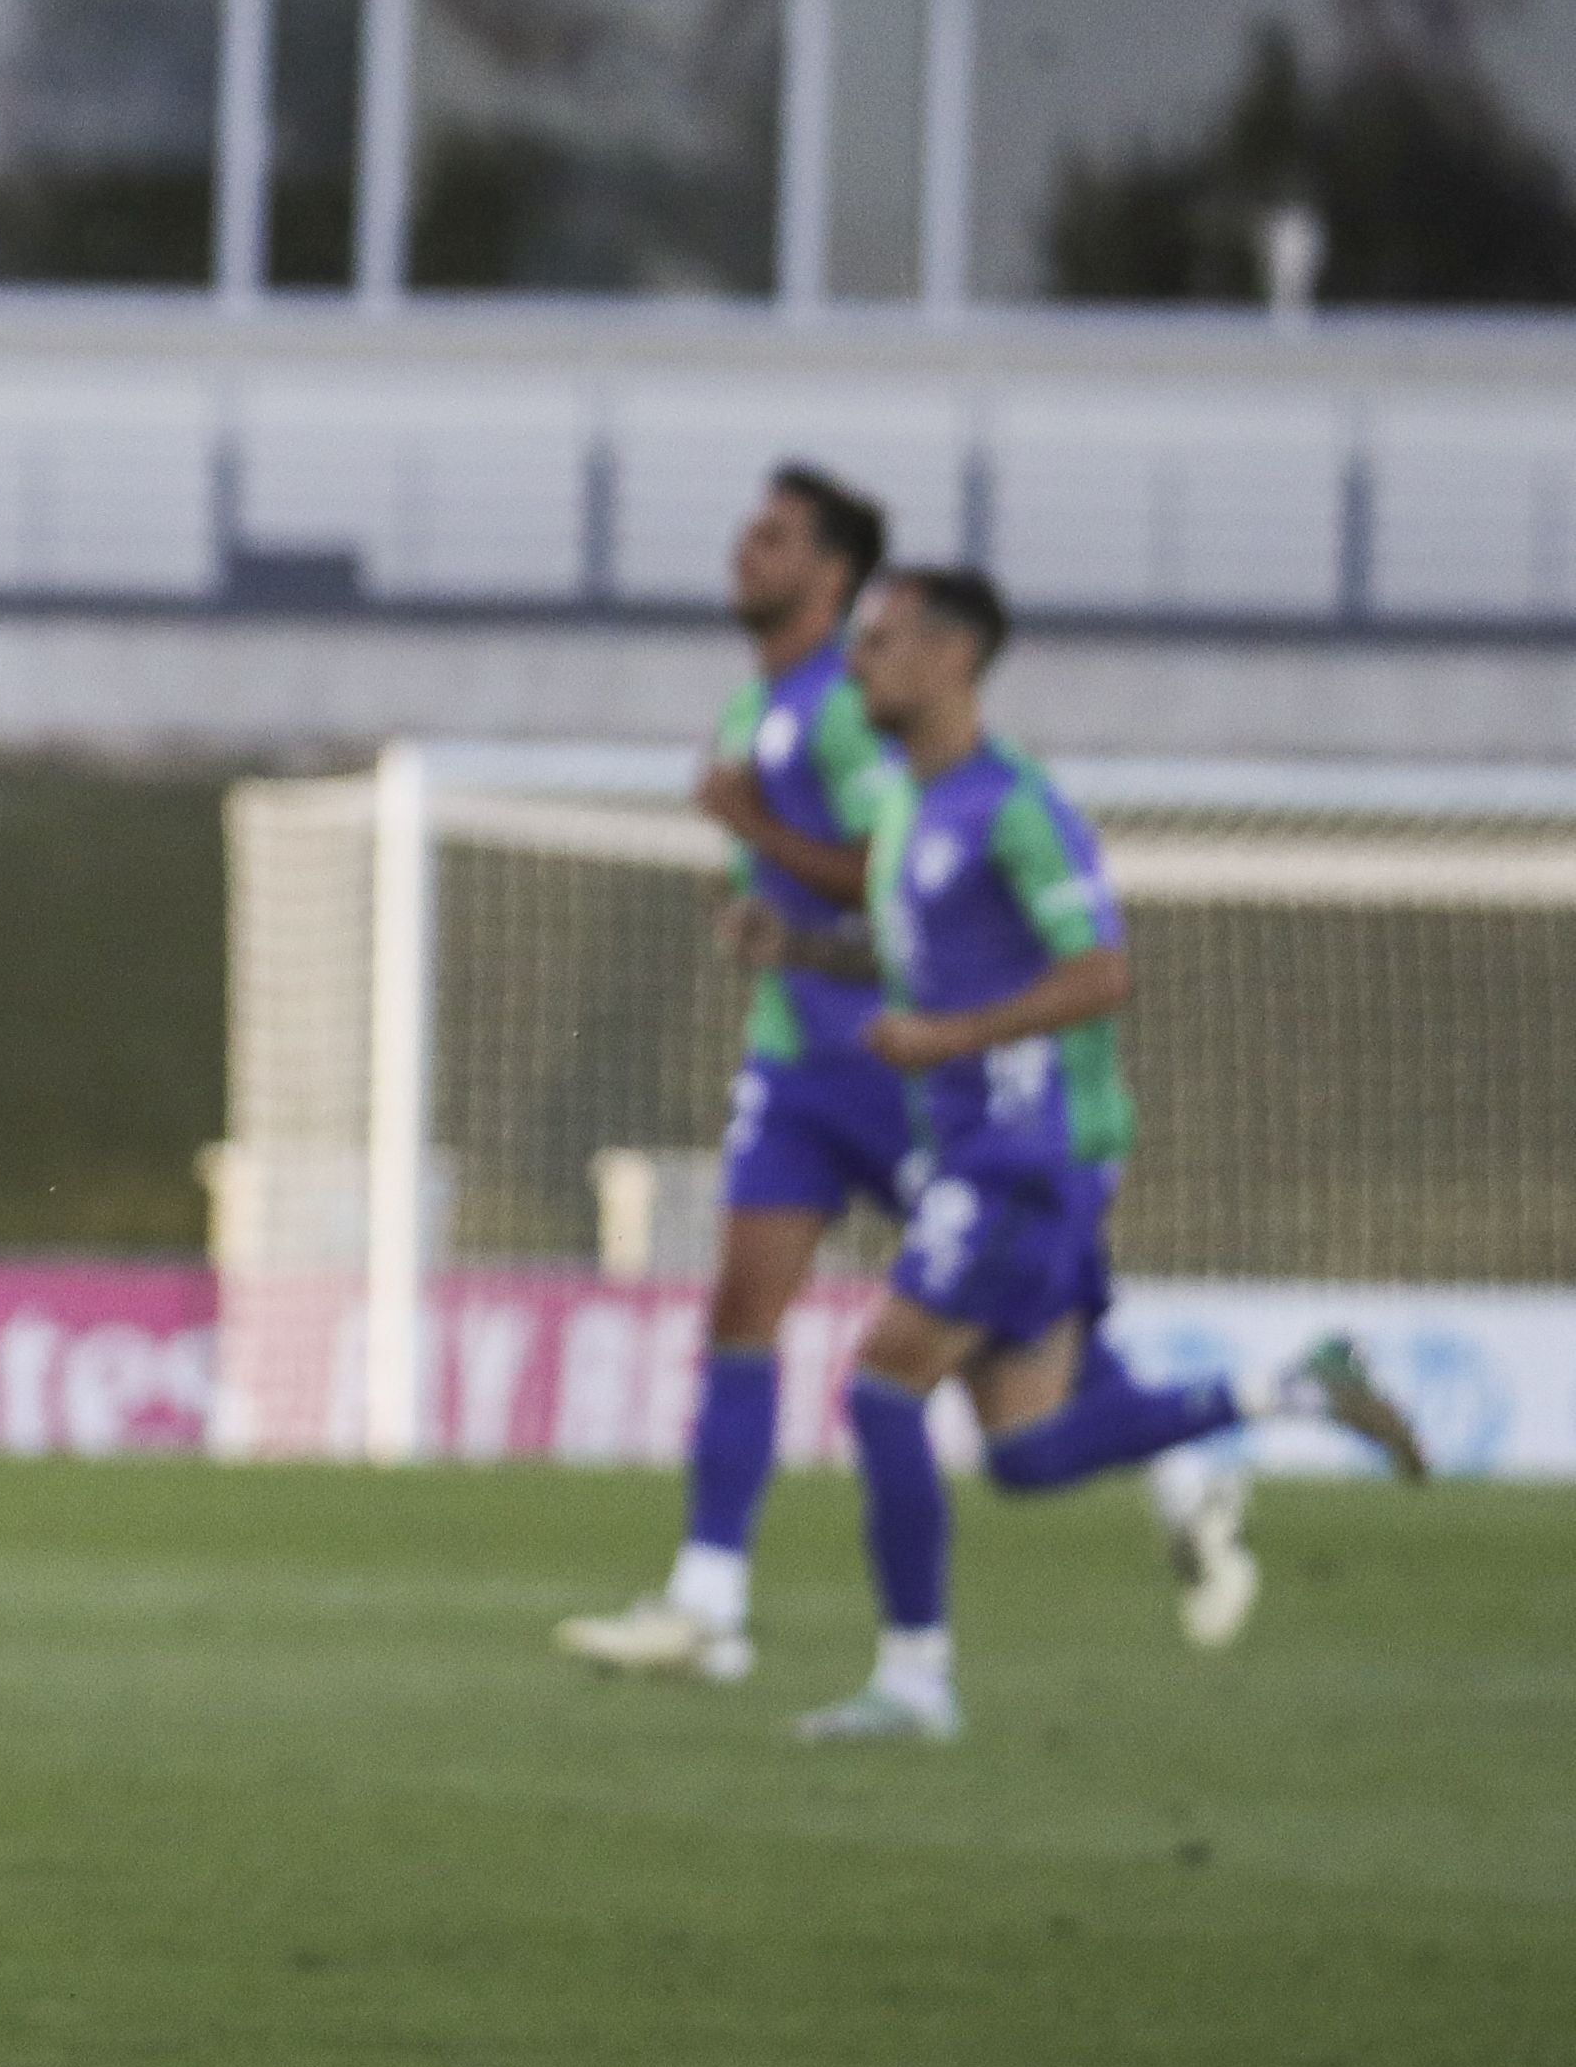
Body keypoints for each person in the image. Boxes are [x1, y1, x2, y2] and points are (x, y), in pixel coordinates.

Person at [765, 567, 1427, 1741]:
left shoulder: (1012, 803)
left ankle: (914, 1682)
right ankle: (1291, 1386)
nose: (856, 659)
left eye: (879, 639)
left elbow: (1100, 972)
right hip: (976, 1149)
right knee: (1022, 1455)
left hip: (1026, 1153)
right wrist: (801, 949)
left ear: (952, 656)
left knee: (878, 1392)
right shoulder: (912, 810)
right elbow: (931, 967)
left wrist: (946, 1038)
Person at [557, 465, 896, 1685]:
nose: (743, 552)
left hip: (898, 1061)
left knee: (1015, 1332)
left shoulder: (845, 709)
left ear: (833, 575)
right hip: (795, 1064)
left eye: (774, 538)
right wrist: (761, 918)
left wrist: (752, 834)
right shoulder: (753, 707)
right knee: (739, 1313)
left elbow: (888, 874)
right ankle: (709, 1600)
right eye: (746, 530)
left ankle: (1184, 1453)